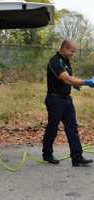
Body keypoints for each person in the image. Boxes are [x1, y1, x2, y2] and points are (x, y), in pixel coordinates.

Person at [42, 39, 94, 167]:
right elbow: (66, 79)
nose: (73, 54)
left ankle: (77, 158)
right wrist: (86, 82)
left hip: (66, 99)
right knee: (53, 128)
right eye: (72, 51)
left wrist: (76, 86)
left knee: (72, 128)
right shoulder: (54, 62)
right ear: (64, 48)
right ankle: (47, 154)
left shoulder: (66, 61)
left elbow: (69, 79)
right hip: (55, 100)